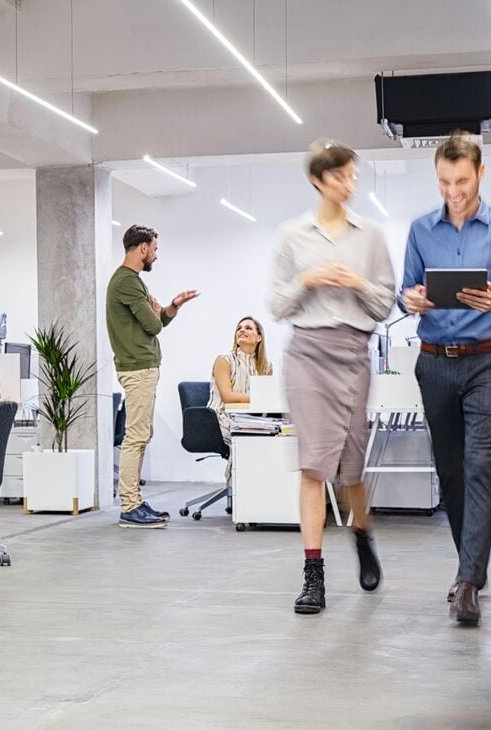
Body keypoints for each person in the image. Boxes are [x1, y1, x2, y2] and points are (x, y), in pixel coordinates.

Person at [400, 131, 491, 626]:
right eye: (444, 182)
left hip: (487, 361)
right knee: (451, 471)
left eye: (461, 181)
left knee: (480, 465)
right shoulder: (420, 230)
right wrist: (410, 299)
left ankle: (467, 582)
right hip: (434, 362)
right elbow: (406, 290)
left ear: (480, 173)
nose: (453, 191)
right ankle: (471, 568)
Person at [269, 139, 396, 616]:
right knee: (313, 465)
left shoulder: (371, 235)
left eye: (353, 176)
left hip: (353, 353)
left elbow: (385, 304)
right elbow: (276, 305)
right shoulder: (291, 235)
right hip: (307, 353)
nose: (349, 184)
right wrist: (307, 280)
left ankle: (362, 534)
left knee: (351, 469)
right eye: (340, 176)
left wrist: (356, 282)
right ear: (317, 180)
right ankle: (313, 574)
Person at [105, 225, 198, 529]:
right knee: (136, 437)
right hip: (137, 368)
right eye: (155, 249)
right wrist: (155, 312)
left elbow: (156, 321)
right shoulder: (127, 282)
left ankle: (134, 500)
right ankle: (129, 507)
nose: (156, 255)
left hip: (142, 367)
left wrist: (171, 307)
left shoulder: (132, 282)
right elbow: (154, 326)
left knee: (142, 435)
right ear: (143, 248)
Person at [207, 316, 274, 444]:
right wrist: (259, 397)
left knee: (278, 433)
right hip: (222, 418)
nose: (242, 330)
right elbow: (228, 397)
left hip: (252, 418)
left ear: (259, 338)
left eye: (248, 328)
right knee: (249, 439)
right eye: (239, 328)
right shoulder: (224, 360)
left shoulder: (266, 366)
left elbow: (267, 400)